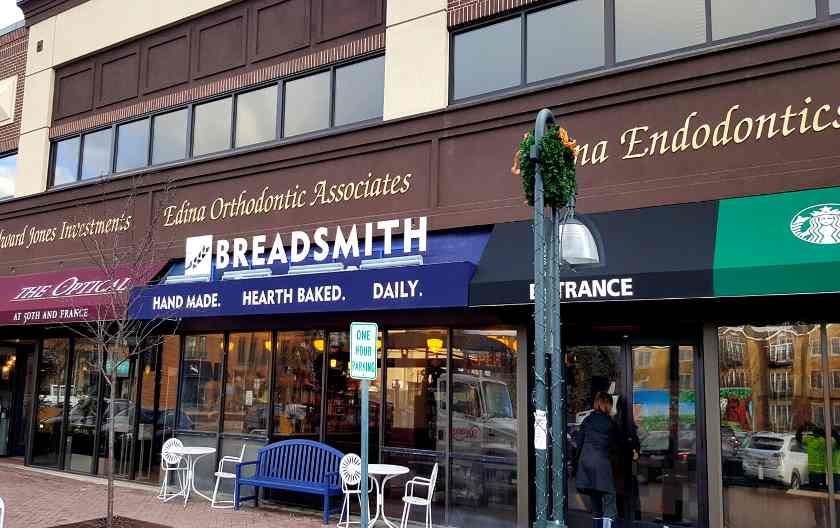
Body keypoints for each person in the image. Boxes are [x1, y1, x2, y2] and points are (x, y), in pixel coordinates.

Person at [575, 392, 620, 528]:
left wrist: (578, 462)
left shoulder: (587, 420)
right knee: (609, 500)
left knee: (595, 500)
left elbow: (579, 442)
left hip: (586, 464)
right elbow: (615, 446)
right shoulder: (610, 423)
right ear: (608, 405)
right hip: (602, 464)